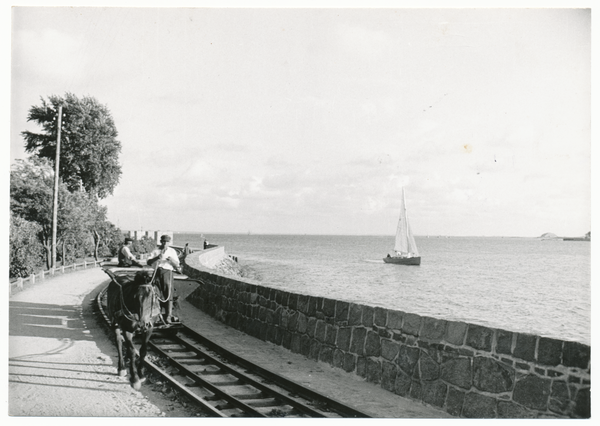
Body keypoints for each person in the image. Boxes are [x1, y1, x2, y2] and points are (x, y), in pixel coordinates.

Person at [147, 235, 181, 324]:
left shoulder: (172, 251)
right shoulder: (155, 250)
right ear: (161, 241)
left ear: (169, 242)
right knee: (155, 293)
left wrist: (171, 260)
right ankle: (156, 314)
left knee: (168, 293)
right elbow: (148, 262)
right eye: (163, 242)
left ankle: (168, 316)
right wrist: (157, 257)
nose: (165, 244)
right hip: (157, 272)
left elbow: (177, 264)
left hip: (167, 273)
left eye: (167, 242)